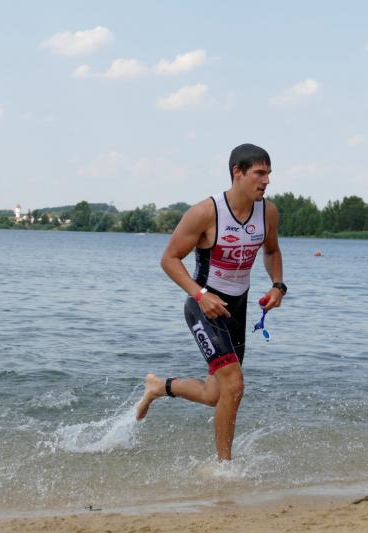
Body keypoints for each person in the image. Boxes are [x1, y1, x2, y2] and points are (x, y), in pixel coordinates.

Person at [135, 143, 286, 461]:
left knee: (215, 393)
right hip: (204, 307)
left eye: (269, 174)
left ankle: (159, 387)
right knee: (234, 386)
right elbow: (169, 259)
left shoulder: (267, 212)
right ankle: (224, 467)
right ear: (237, 172)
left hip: (237, 310)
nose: (267, 180)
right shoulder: (206, 212)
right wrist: (200, 295)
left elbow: (271, 250)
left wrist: (277, 285)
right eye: (260, 173)